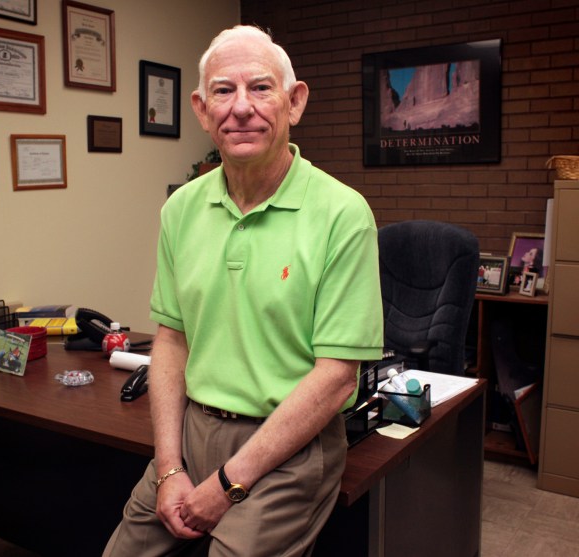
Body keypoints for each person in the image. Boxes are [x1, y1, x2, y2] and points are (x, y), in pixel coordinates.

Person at [103, 25, 383, 557]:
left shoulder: (342, 214)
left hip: (288, 446)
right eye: (223, 91)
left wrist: (229, 483)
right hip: (192, 429)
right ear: (202, 109)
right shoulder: (181, 209)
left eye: (260, 88)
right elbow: (171, 340)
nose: (241, 108)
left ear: (294, 102)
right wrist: (168, 469)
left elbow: (335, 377)